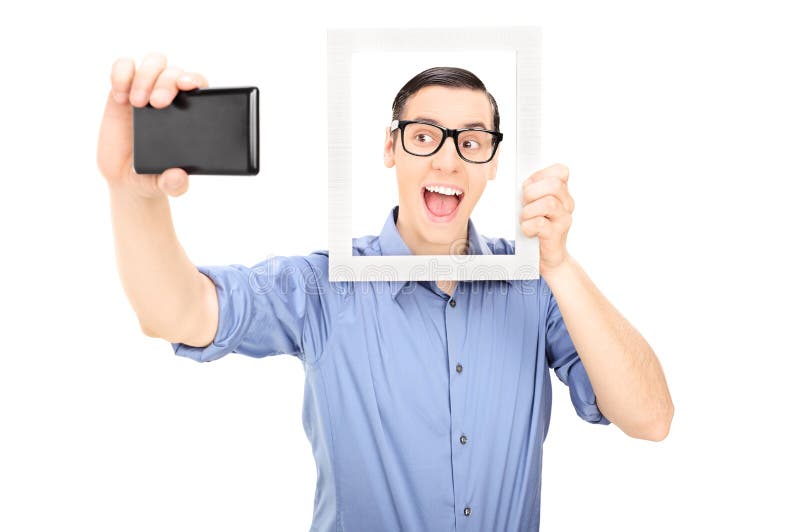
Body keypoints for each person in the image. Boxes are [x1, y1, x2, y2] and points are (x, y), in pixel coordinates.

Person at [97, 52, 674, 532]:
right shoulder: (324, 289)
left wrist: (562, 266)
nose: (448, 157)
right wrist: (132, 195)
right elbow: (180, 312)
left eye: (471, 142)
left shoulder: (538, 288)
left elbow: (651, 418)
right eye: (424, 136)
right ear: (390, 148)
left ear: (493, 161)